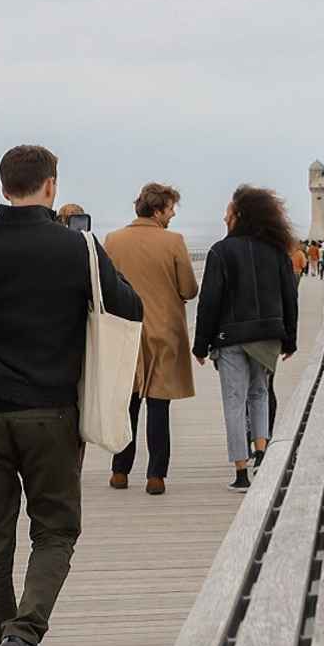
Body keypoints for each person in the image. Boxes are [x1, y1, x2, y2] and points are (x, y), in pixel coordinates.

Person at [0, 145, 143, 646]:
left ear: (3, 186)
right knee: (55, 532)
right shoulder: (76, 247)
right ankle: (23, 635)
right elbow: (129, 306)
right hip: (52, 415)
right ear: (51, 186)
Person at [195, 186, 300, 493]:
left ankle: (241, 472)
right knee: (259, 393)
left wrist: (201, 343)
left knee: (234, 400)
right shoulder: (277, 251)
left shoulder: (220, 251)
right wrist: (290, 339)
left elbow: (209, 301)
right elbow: (290, 298)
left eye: (228, 212)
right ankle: (262, 454)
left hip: (230, 338)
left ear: (239, 216)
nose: (224, 217)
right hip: (267, 336)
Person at [102, 183, 199, 498]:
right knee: (159, 406)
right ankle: (156, 476)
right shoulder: (174, 241)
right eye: (170, 209)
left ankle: (120, 470)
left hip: (126, 331)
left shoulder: (113, 240)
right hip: (163, 332)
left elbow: (104, 288)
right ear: (158, 211)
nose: (172, 215)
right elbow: (189, 288)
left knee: (127, 405)